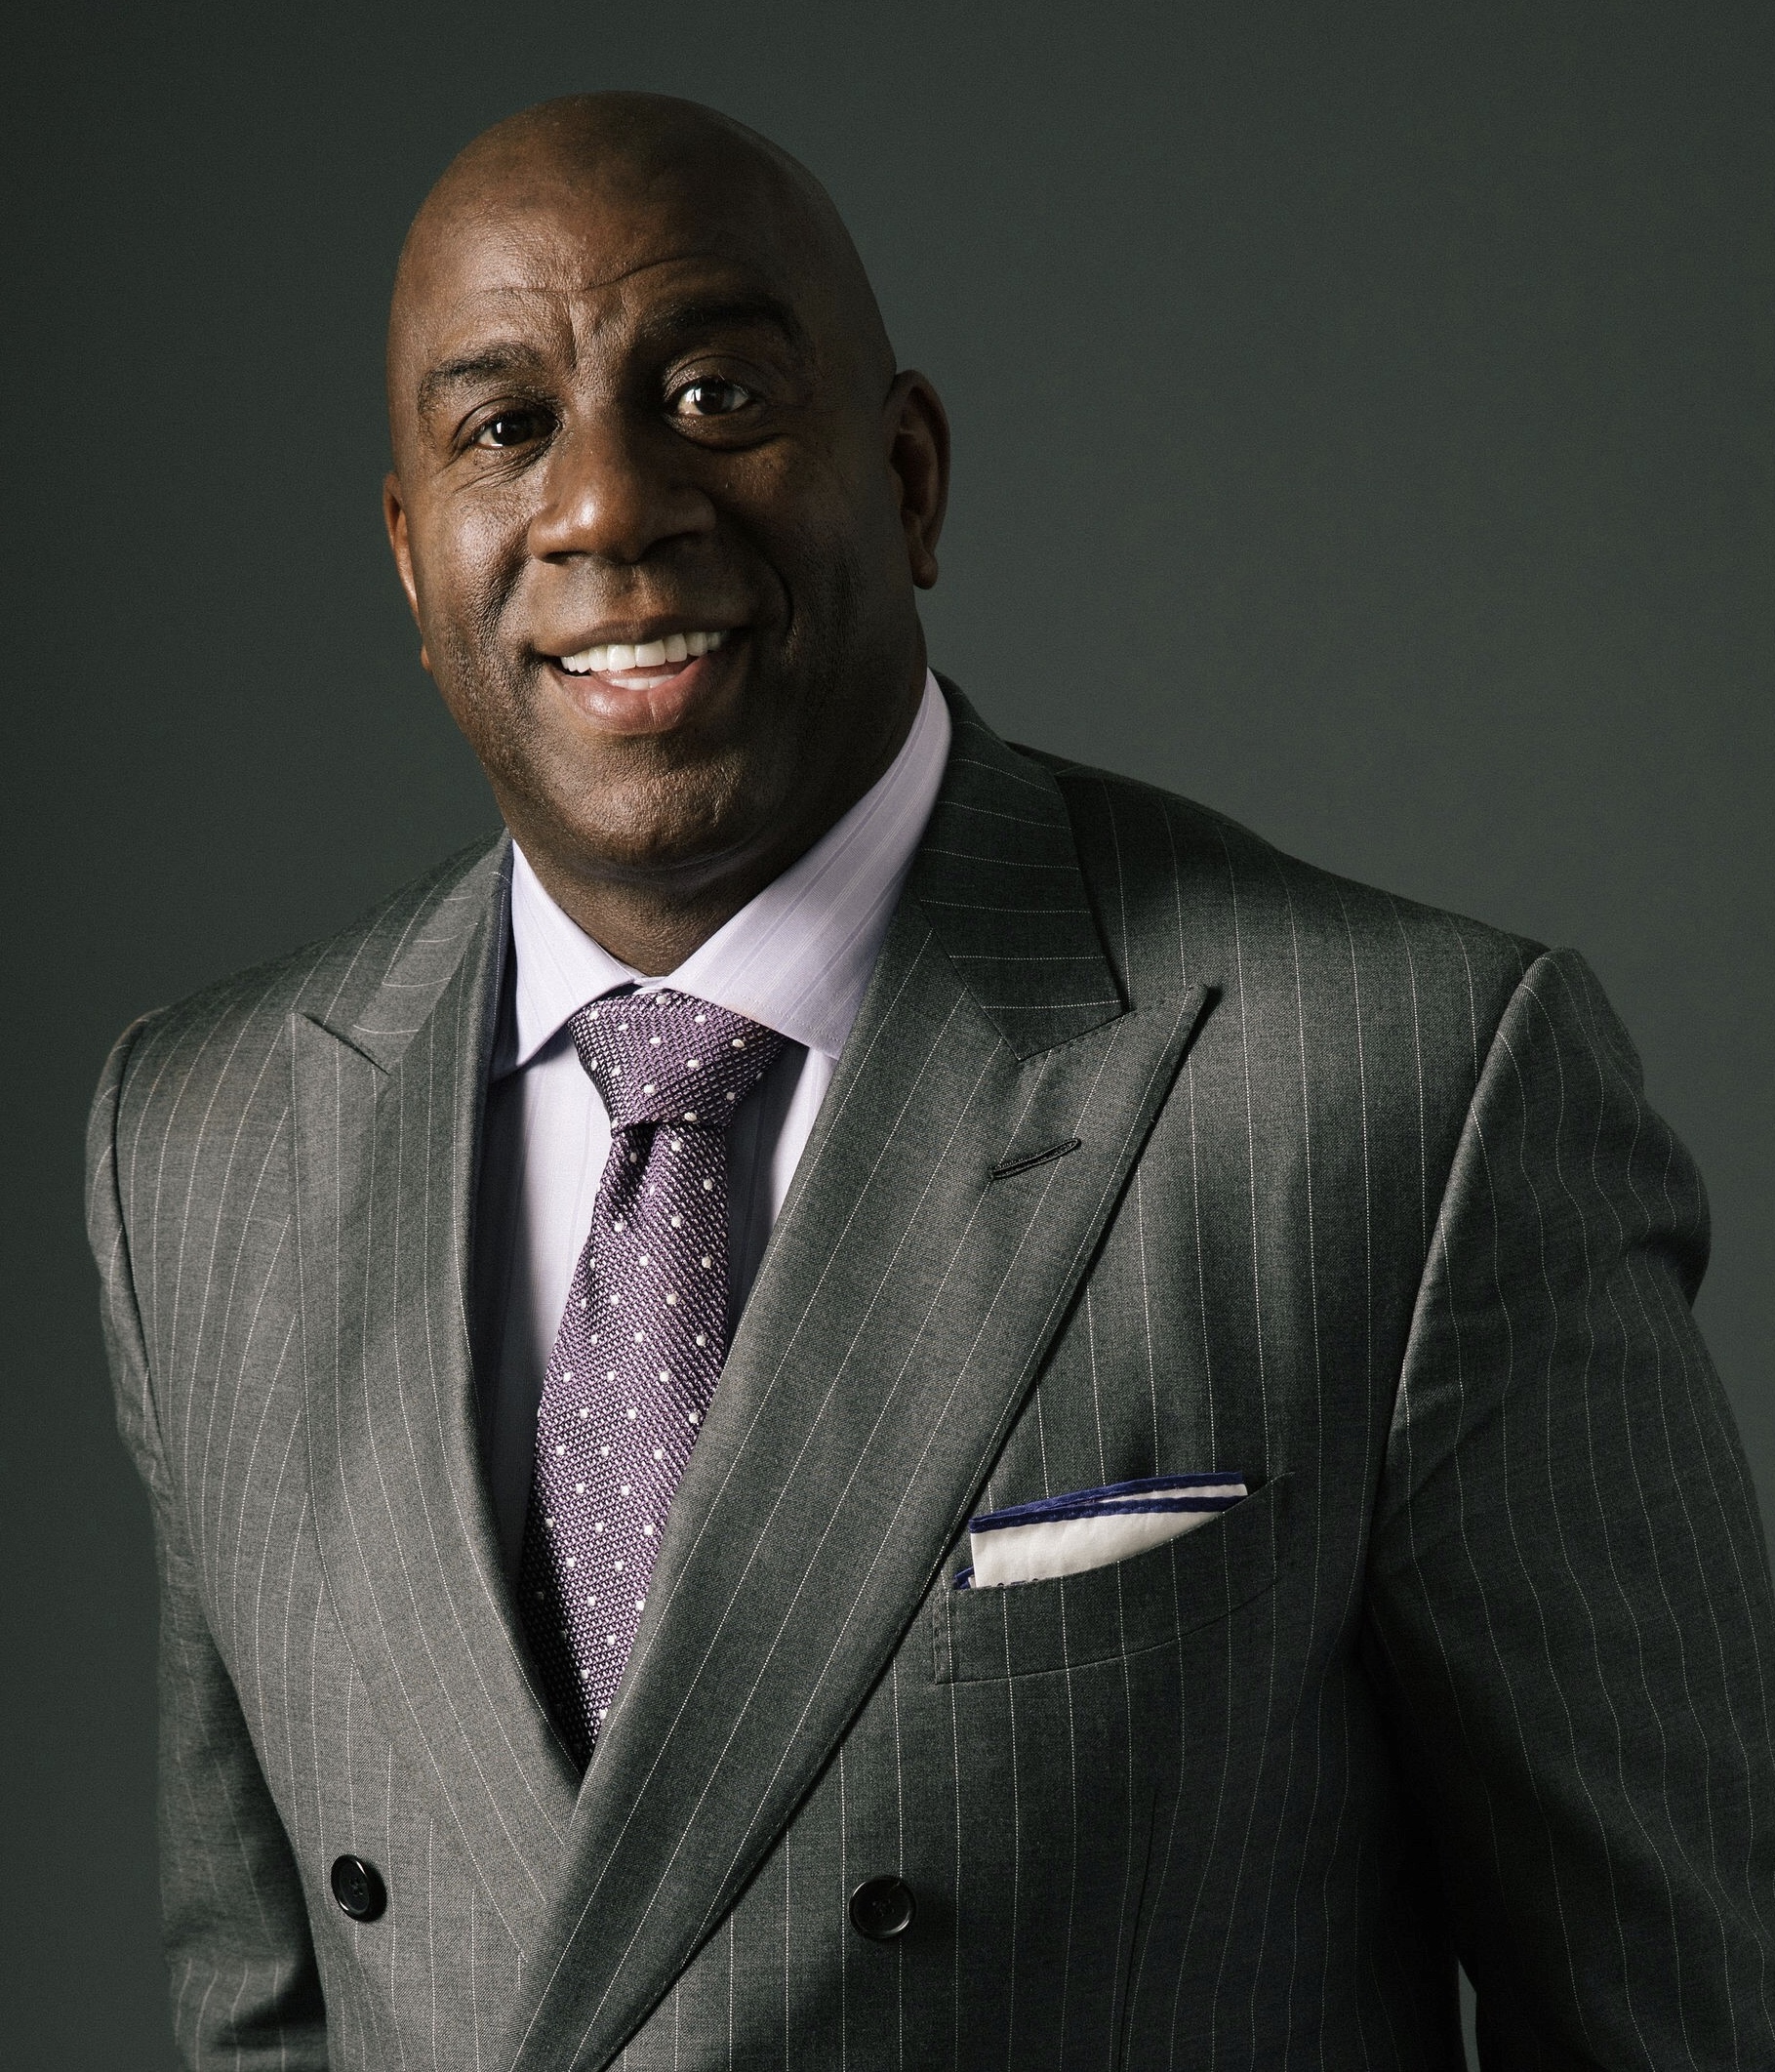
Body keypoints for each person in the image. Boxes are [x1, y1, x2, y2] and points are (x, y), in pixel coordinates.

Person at [86, 91, 1774, 2072]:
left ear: (906, 477)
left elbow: (1682, 2014)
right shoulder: (196, 1150)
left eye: (712, 394)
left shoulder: (1400, 1092)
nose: (607, 507)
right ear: (410, 558)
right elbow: (262, 2011)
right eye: (506, 428)